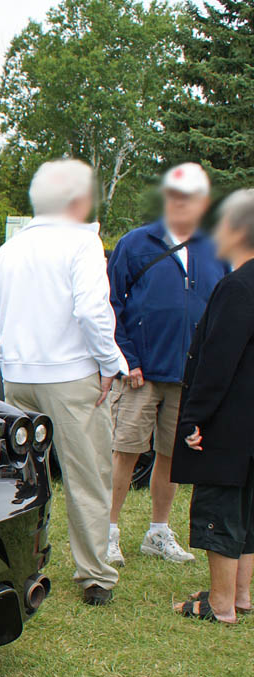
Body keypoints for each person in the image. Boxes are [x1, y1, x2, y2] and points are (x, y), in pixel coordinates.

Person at [0, 159, 129, 606]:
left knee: (25, 476)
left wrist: (6, 360)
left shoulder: (10, 249)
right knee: (87, 476)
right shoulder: (81, 242)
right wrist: (109, 362)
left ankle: (24, 561)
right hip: (69, 374)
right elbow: (92, 310)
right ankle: (95, 575)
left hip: (18, 375)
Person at [107, 162, 227, 566]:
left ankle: (158, 532)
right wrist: (127, 358)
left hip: (187, 374)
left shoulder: (214, 249)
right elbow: (111, 304)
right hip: (140, 374)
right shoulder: (135, 243)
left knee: (173, 455)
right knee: (126, 451)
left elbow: (223, 308)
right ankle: (108, 531)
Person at [170, 189, 254, 624]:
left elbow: (218, 361)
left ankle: (219, 604)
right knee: (247, 508)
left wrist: (194, 417)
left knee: (220, 506)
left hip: (231, 420)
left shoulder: (237, 286)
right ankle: (240, 594)